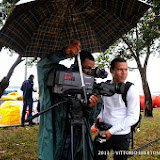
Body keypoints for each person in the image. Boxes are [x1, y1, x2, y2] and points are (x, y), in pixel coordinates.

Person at [37, 40, 102, 160]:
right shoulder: (61, 75)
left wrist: (90, 107)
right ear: (77, 63)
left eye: (91, 69)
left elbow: (90, 120)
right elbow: (42, 66)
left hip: (79, 139)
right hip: (57, 135)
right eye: (87, 67)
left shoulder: (91, 87)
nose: (89, 72)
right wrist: (63, 53)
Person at [94, 57, 140, 160]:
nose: (124, 73)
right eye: (120, 69)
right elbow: (103, 106)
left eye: (126, 69)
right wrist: (100, 116)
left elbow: (133, 116)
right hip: (103, 131)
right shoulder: (105, 86)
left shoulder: (130, 89)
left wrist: (112, 131)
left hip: (121, 135)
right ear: (111, 70)